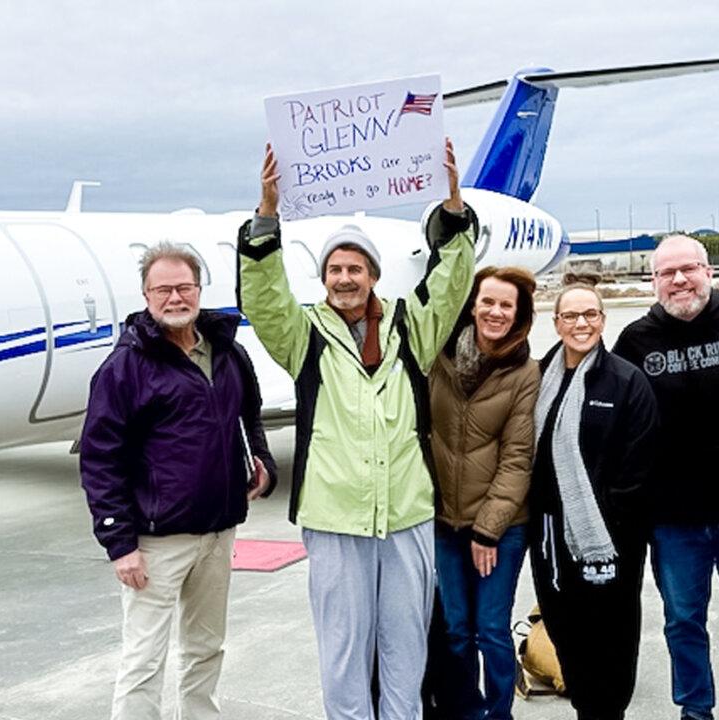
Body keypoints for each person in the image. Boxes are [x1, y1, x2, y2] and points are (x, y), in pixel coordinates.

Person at [238, 139, 476, 720]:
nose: (345, 278)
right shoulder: (305, 337)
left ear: (373, 274)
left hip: (406, 515)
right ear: (324, 278)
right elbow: (264, 301)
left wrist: (452, 206)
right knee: (344, 655)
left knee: (406, 649)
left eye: (355, 268)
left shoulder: (408, 329)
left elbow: (449, 286)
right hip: (334, 516)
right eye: (335, 269)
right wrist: (267, 216)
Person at [80, 241, 277, 720]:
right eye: (163, 289)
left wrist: (263, 463)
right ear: (146, 296)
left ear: (199, 290)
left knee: (206, 648)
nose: (175, 298)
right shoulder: (125, 367)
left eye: (184, 287)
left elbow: (248, 417)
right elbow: (100, 457)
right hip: (154, 542)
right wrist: (119, 542)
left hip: (218, 530)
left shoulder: (228, 353)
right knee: (144, 659)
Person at [612, 234, 719, 720]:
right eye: (666, 273)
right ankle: (695, 710)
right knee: (683, 622)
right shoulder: (634, 340)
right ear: (653, 283)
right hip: (673, 516)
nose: (679, 280)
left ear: (708, 271)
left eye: (688, 269)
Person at [529, 283, 659, 720]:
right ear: (557, 323)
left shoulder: (626, 380)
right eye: (570, 316)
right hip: (548, 535)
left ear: (603, 320)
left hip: (609, 538)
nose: (581, 324)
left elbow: (639, 466)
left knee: (612, 642)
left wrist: (606, 523)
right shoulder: (540, 376)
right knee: (565, 633)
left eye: (590, 315)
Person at [428, 265, 540, 720]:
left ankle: (498, 714)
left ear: (518, 315)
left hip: (501, 528)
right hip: (442, 522)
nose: (495, 312)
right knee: (455, 630)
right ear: (471, 304)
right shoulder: (439, 357)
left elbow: (517, 459)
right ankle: (464, 711)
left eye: (506, 305)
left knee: (491, 629)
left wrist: (488, 530)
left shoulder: (524, 372)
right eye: (487, 301)